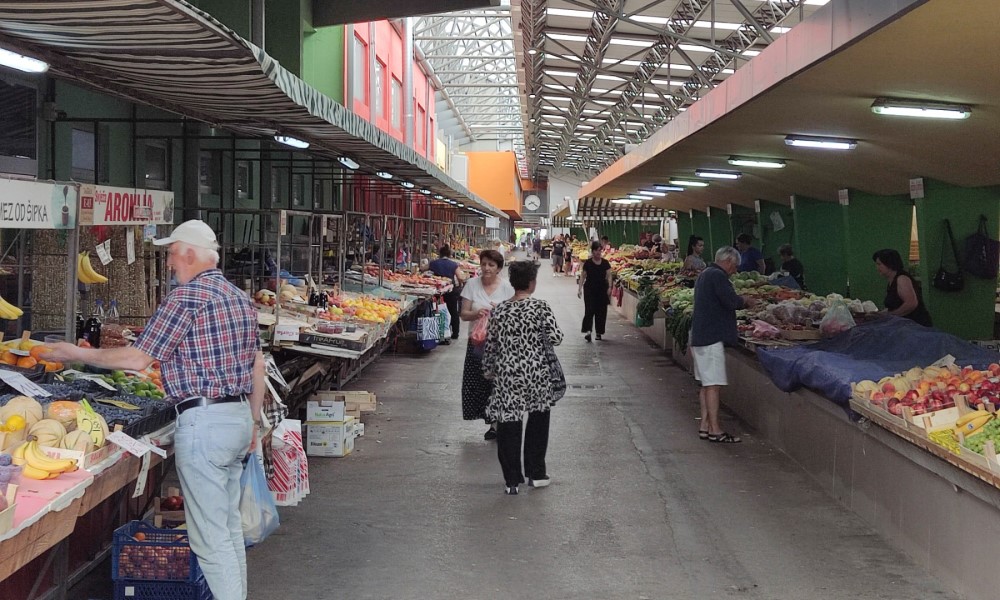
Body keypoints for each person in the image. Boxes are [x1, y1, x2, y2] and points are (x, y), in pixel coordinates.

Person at [46, 220, 263, 600]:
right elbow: (257, 363)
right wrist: (254, 422)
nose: (168, 263)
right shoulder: (237, 296)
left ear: (191, 255)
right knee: (226, 530)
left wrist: (75, 352)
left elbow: (137, 358)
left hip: (205, 423)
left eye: (172, 254)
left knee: (210, 541)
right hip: (237, 417)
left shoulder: (187, 298)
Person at [481, 261, 563, 495]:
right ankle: (536, 474)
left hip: (508, 374)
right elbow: (556, 337)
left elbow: (491, 346)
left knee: (508, 424)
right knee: (538, 420)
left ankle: (511, 480)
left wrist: (488, 371)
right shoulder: (540, 308)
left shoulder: (499, 310)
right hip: (536, 373)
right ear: (531, 283)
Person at [690, 246, 759, 444]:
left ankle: (704, 426)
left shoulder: (705, 274)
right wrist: (745, 300)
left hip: (701, 337)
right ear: (728, 261)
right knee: (713, 386)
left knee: (705, 384)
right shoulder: (718, 276)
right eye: (735, 266)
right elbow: (731, 301)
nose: (735, 270)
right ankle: (715, 430)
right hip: (711, 338)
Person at [460, 249, 515, 440]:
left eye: (491, 265)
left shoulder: (507, 288)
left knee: (498, 383)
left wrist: (499, 313)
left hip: (500, 344)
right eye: (484, 264)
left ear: (499, 268)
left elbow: (514, 317)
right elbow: (463, 314)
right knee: (480, 383)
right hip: (477, 343)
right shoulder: (471, 285)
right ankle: (490, 419)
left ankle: (496, 424)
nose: (486, 268)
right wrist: (477, 314)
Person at [873, 249, 932, 327]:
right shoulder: (892, 280)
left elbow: (911, 303)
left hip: (914, 326)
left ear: (889, 264)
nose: (877, 267)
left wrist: (890, 315)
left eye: (879, 264)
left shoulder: (902, 279)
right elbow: (895, 305)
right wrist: (880, 314)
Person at [429, 245, 467, 343]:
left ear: (440, 254)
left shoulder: (433, 263)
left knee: (437, 311)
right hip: (450, 291)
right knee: (453, 311)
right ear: (449, 254)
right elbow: (460, 277)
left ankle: (438, 332)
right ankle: (455, 333)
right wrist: (462, 283)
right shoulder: (453, 264)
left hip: (437, 292)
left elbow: (422, 269)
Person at [578, 241, 613, 342]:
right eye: (596, 250)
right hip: (590, 289)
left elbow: (609, 275)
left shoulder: (605, 263)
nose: (598, 252)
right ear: (592, 252)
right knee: (589, 310)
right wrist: (579, 289)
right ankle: (588, 331)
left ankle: (599, 332)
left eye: (599, 250)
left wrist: (610, 287)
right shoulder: (588, 263)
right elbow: (583, 276)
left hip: (602, 289)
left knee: (601, 311)